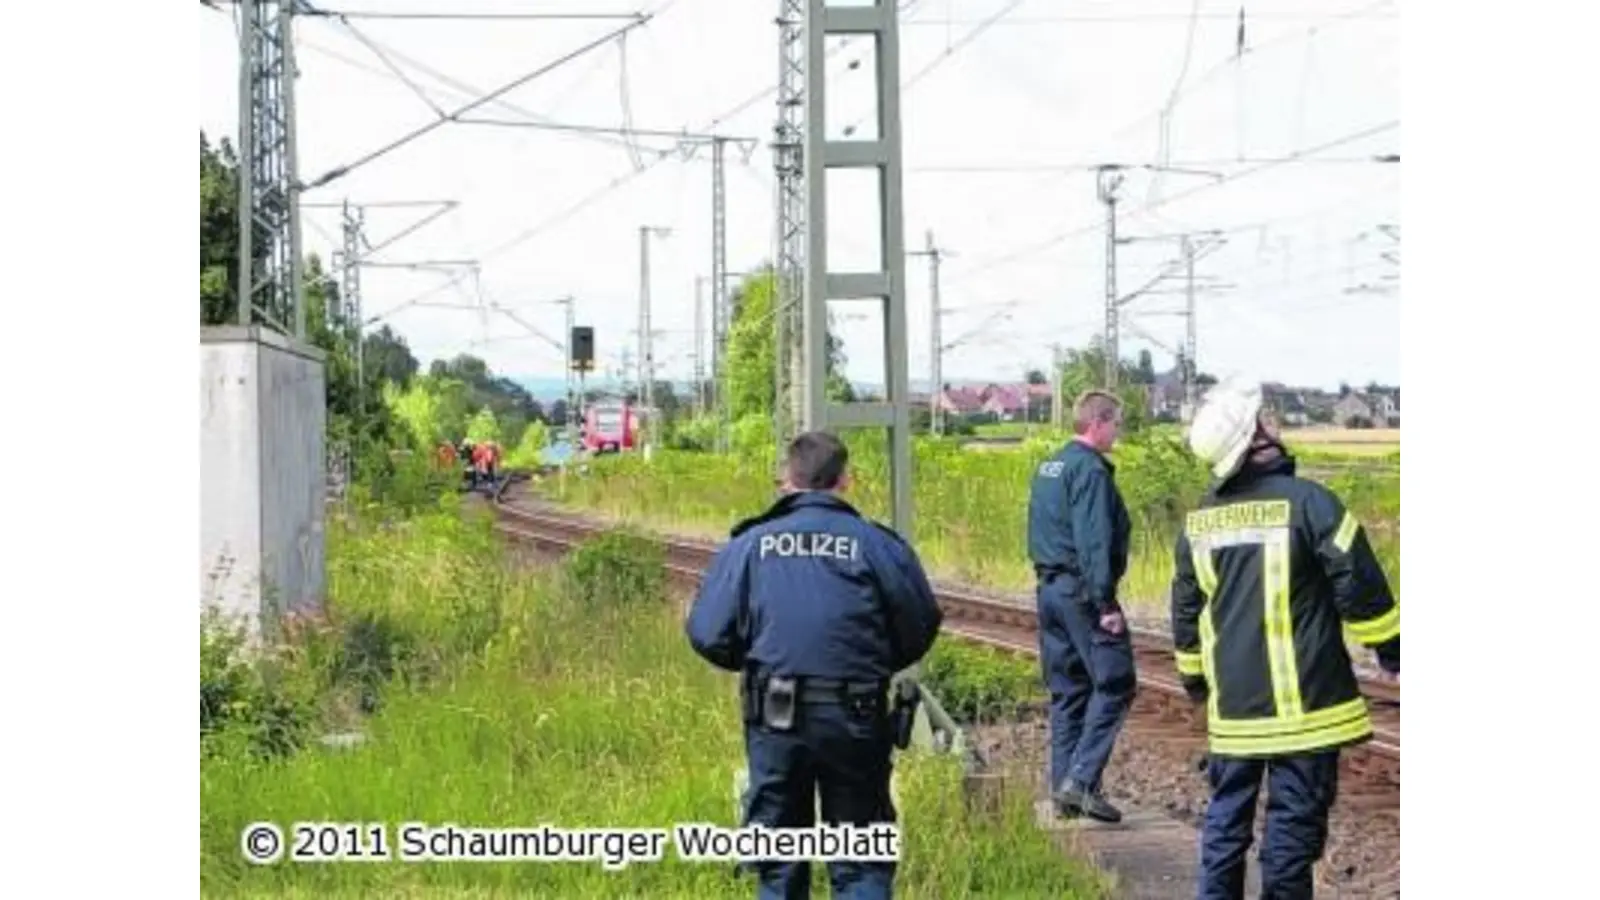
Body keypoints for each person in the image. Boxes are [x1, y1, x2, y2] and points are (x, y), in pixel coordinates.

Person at [685, 431, 944, 900]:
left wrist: (761, 661)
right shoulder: (876, 544)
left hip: (774, 715)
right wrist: (870, 664)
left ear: (788, 479)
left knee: (779, 861)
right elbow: (920, 623)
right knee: (861, 859)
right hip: (857, 716)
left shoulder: (750, 545)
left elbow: (707, 632)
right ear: (845, 480)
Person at [1171, 381, 1400, 900]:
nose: (1273, 423)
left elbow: (1186, 613)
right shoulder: (1311, 503)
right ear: (1254, 438)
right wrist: (1391, 650)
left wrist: (1197, 685)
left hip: (1233, 717)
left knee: (1224, 830)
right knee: (1290, 839)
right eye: (1264, 419)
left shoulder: (1198, 523)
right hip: (1307, 712)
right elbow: (1359, 586)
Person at [1026, 389, 1137, 823]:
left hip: (1049, 588)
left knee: (1069, 690)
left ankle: (1063, 795)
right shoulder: (1090, 470)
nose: (1118, 432)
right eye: (1116, 424)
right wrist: (1105, 601)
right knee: (1115, 682)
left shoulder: (1049, 466)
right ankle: (1082, 781)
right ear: (1099, 422)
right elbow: (1094, 539)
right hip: (1081, 591)